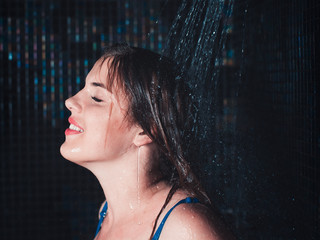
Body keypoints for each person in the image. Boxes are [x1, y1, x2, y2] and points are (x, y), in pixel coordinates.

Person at [60, 43, 233, 240]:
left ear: (145, 131)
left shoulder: (185, 229)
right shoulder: (107, 213)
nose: (70, 101)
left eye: (97, 98)